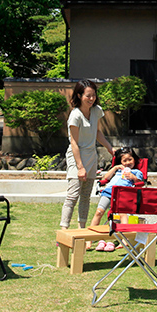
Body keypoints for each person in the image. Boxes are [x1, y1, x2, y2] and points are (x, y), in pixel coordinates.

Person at [60, 79, 115, 230]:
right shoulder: (75, 115)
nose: (91, 99)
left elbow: (97, 132)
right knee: (73, 196)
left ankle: (82, 230)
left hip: (92, 156)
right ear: (79, 96)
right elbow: (74, 143)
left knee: (85, 196)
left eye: (93, 95)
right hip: (77, 157)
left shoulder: (97, 111)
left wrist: (110, 148)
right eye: (88, 96)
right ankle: (63, 230)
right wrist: (80, 167)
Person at [90, 148, 144, 249]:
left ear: (134, 160)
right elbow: (105, 178)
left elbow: (140, 183)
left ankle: (124, 240)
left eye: (130, 159)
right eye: (125, 160)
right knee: (99, 212)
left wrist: (133, 177)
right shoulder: (117, 171)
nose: (127, 163)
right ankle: (89, 238)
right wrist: (115, 168)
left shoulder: (136, 172)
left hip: (122, 194)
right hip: (108, 192)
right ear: (121, 162)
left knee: (123, 215)